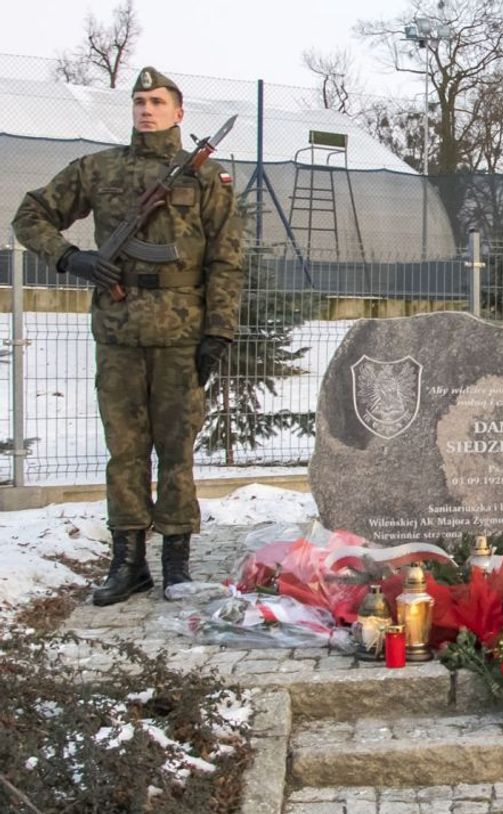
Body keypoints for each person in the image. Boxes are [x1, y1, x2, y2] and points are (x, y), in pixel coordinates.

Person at [12, 67, 244, 605]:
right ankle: (128, 563)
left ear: (178, 113)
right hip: (118, 331)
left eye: (158, 101)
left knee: (177, 450)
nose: (147, 109)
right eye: (140, 100)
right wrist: (73, 258)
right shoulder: (99, 168)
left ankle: (177, 565)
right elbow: (31, 215)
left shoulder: (206, 180)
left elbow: (227, 260)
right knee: (125, 452)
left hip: (182, 334)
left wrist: (219, 331)